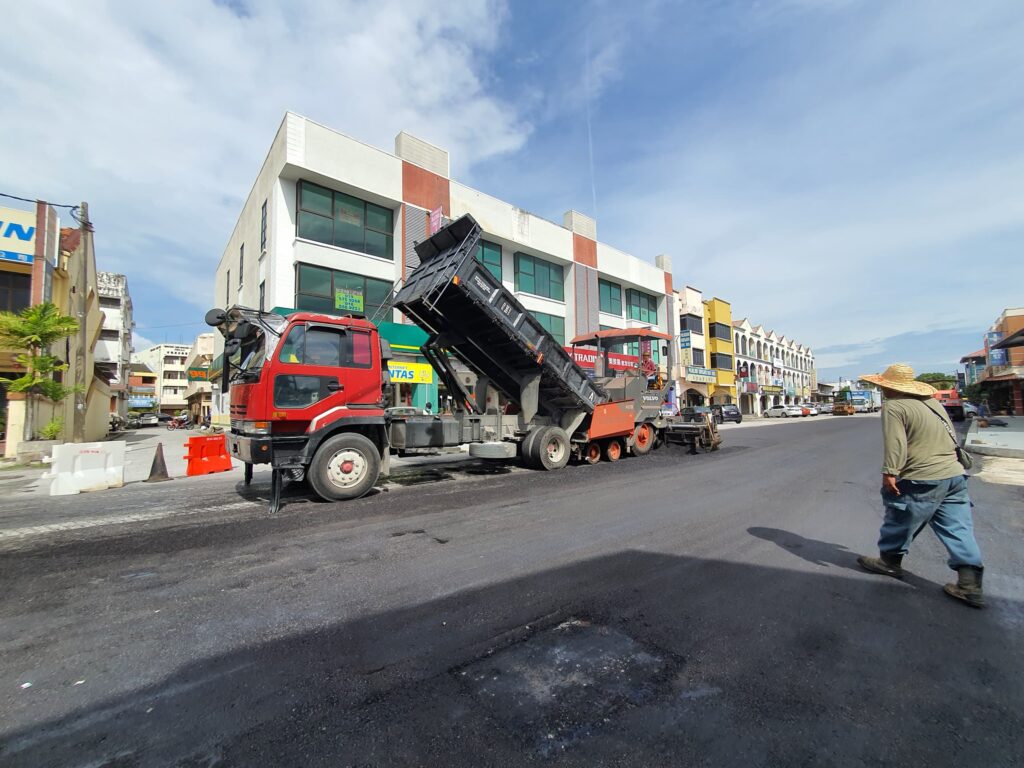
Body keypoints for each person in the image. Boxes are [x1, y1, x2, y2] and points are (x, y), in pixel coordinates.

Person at [856, 363, 985, 608]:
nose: (881, 390)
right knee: (958, 528)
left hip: (923, 477)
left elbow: (896, 444)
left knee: (900, 517)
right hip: (954, 475)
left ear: (890, 387)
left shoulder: (895, 406)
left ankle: (889, 563)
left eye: (883, 386)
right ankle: (970, 585)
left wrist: (890, 473)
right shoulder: (933, 403)